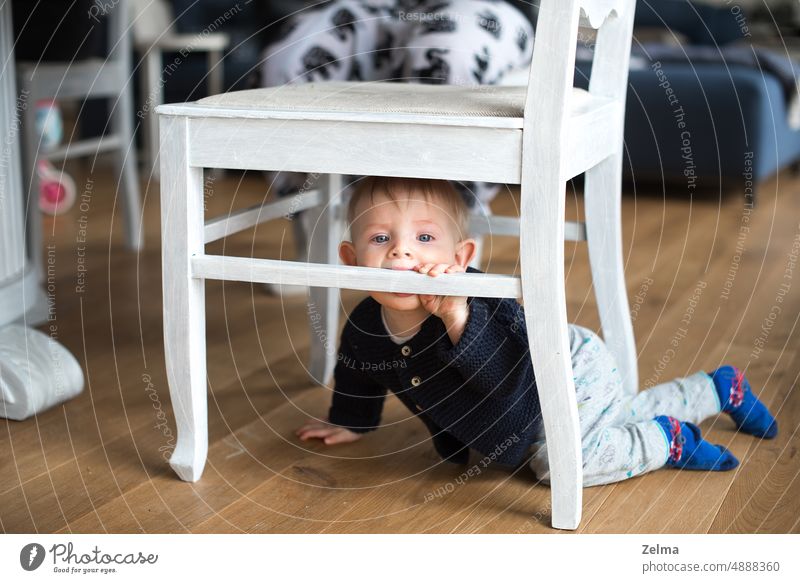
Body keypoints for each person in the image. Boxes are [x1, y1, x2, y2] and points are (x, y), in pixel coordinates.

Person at [295, 176, 779, 486]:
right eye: (381, 239)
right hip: (531, 403)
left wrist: (457, 319)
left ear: (462, 259)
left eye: (424, 238)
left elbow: (510, 373)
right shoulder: (365, 324)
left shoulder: (477, 300)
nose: (402, 253)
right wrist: (351, 420)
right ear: (351, 260)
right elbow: (359, 369)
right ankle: (717, 389)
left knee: (560, 464)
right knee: (614, 416)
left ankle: (666, 440)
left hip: (563, 367)